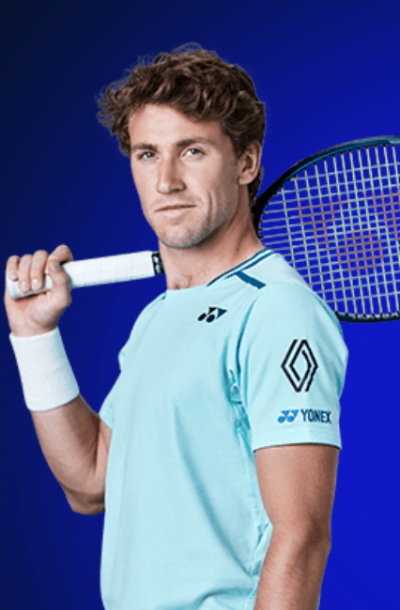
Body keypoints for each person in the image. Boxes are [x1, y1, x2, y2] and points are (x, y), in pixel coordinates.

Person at [5, 45, 348, 610]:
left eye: (192, 151)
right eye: (147, 154)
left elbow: (302, 537)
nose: (166, 181)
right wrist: (35, 337)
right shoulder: (160, 315)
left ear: (246, 163)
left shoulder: (278, 310)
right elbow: (90, 482)